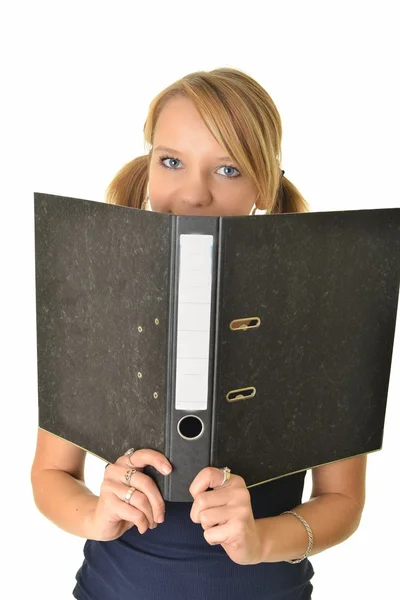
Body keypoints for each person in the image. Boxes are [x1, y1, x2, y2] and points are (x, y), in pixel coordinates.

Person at [31, 67, 367, 600]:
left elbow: (343, 502)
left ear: (265, 181)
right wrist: (95, 514)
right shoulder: (95, 290)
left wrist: (259, 538)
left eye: (228, 168)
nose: (194, 194)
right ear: (148, 167)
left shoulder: (324, 304)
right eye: (171, 161)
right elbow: (51, 472)